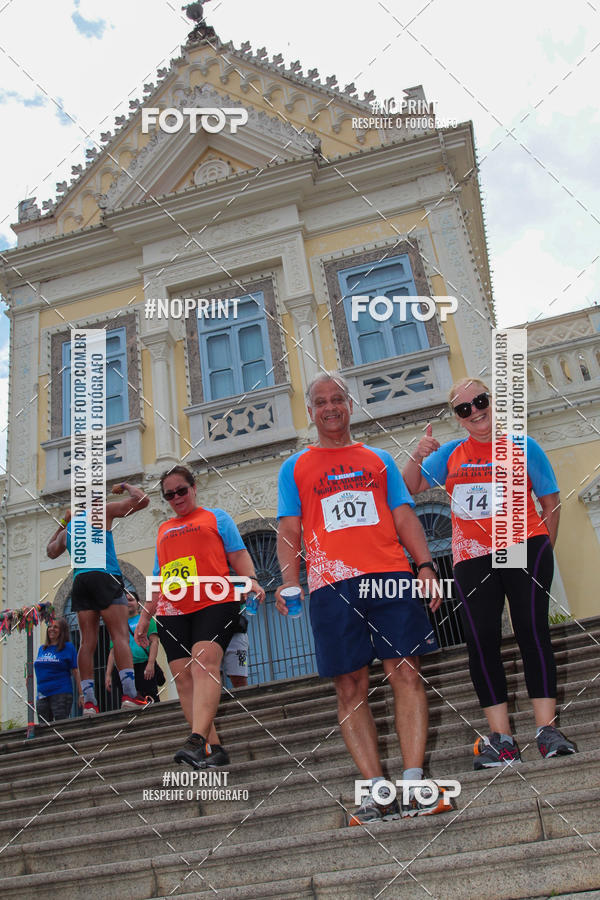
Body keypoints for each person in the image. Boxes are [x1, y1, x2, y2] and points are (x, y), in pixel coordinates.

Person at [275, 371, 450, 825]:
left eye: (338, 399)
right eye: (321, 401)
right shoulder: (294, 467)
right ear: (310, 412)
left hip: (390, 576)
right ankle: (376, 791)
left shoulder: (378, 459)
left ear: (349, 406)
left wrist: (426, 566)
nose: (330, 407)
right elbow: (290, 531)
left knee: (406, 675)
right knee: (350, 687)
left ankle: (412, 782)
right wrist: (289, 580)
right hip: (333, 585)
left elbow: (404, 514)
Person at [402, 376, 577, 768]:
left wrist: (544, 545)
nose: (475, 411)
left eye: (480, 401)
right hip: (472, 557)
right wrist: (418, 453)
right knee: (482, 639)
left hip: (523, 545)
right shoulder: (449, 454)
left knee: (532, 629)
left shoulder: (523, 445)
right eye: (464, 408)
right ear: (458, 418)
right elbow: (407, 486)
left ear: (492, 401)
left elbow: (550, 499)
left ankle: (547, 731)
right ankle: (502, 739)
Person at [135, 465, 265, 769]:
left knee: (203, 660)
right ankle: (214, 748)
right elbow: (158, 576)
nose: (177, 498)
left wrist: (251, 579)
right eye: (170, 495)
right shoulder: (163, 529)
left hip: (215, 598)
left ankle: (195, 740)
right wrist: (144, 618)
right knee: (183, 677)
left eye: (181, 490)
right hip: (173, 607)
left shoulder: (216, 518)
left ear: (194, 488)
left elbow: (238, 554)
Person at [46, 482, 150, 716]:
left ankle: (90, 703)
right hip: (105, 575)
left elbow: (50, 551)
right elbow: (143, 501)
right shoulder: (103, 511)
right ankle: (130, 695)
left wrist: (64, 521)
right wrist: (126, 486)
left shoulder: (69, 528)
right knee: (119, 635)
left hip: (80, 581)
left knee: (87, 642)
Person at [105, 590, 162, 703]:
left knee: (150, 701)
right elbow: (112, 652)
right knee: (128, 702)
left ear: (138, 603)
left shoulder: (146, 620)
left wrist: (150, 664)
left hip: (144, 667)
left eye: (131, 600)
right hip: (123, 670)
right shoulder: (116, 625)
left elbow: (154, 642)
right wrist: (108, 675)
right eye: (124, 601)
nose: (128, 603)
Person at [34, 617, 81, 723]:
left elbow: (76, 671)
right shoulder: (42, 649)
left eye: (56, 627)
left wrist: (81, 694)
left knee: (61, 725)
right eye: (49, 626)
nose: (51, 629)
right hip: (42, 693)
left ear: (62, 630)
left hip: (61, 692)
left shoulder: (68, 647)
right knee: (43, 728)